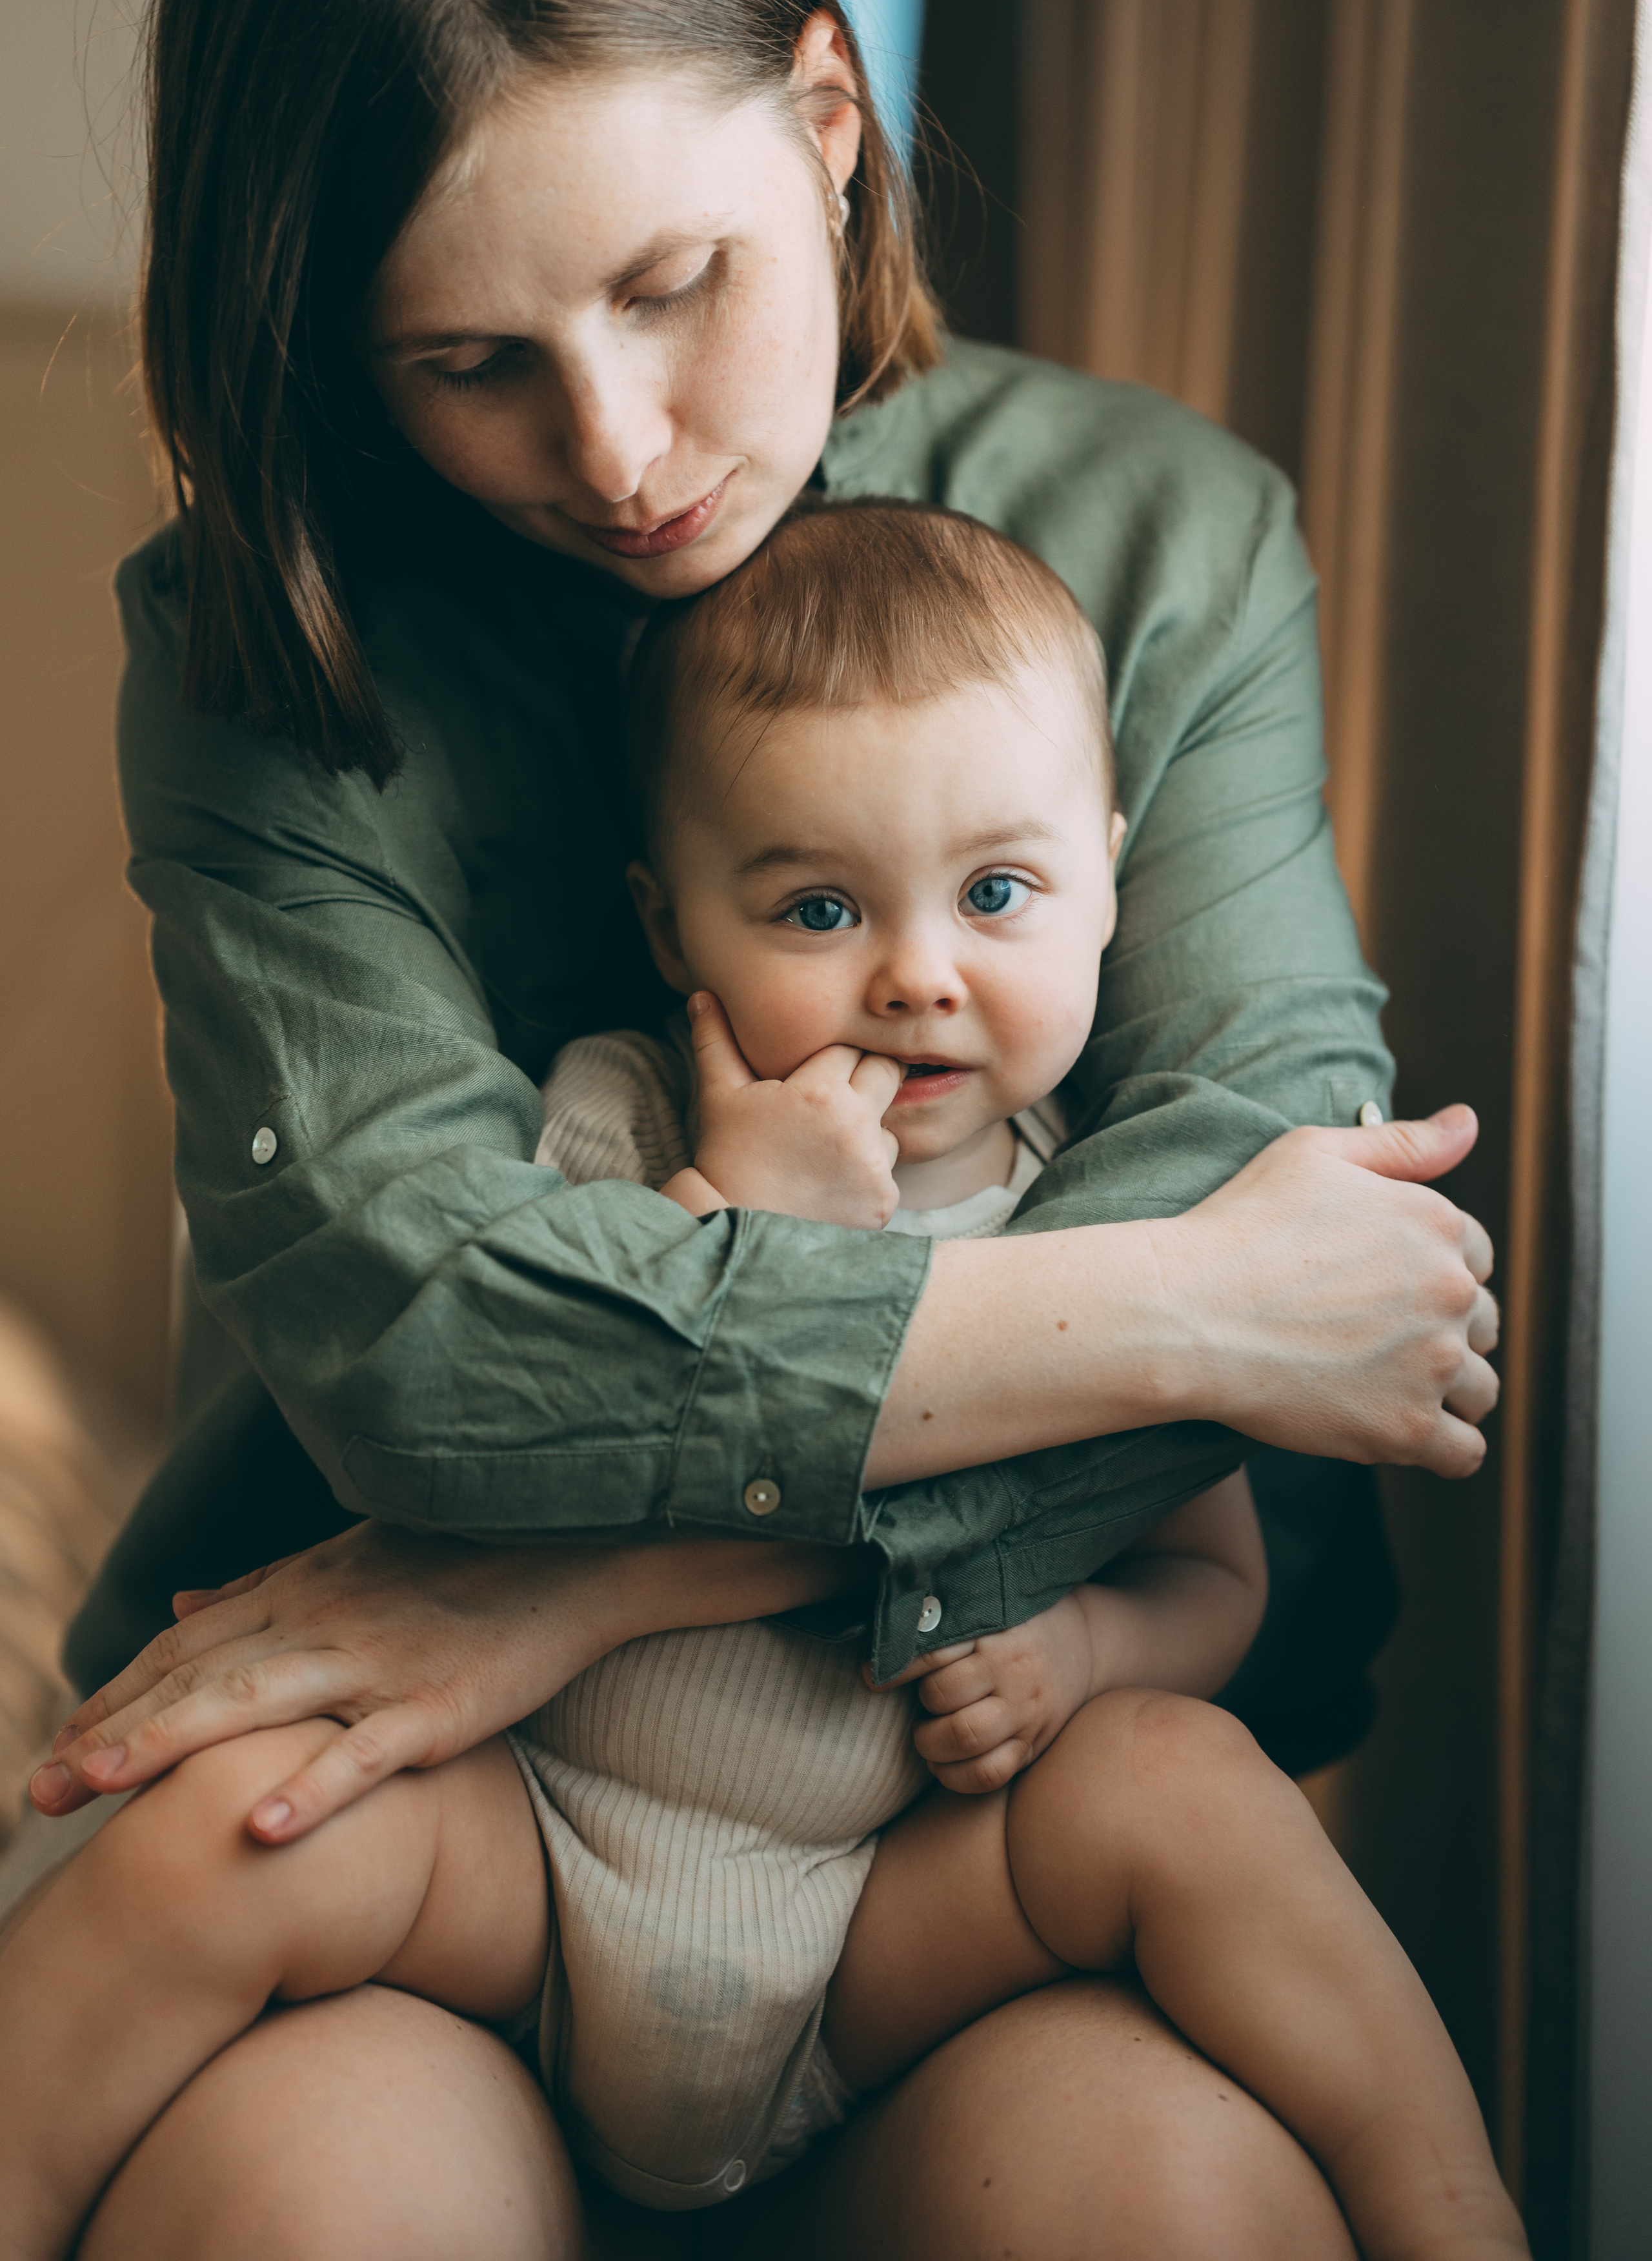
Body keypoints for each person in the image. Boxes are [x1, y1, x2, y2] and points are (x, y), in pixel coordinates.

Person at [12, 0, 1500, 2252]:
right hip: (423, 1840)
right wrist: (1192, 1315)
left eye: (673, 283)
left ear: (829, 123)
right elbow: (428, 1335)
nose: (614, 453)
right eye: (466, 361)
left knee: (1167, 2206)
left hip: (957, 1842)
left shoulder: (1161, 538)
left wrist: (577, 1578)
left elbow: (1261, 1183)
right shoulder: (272, 644)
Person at [0, 501, 1524, 2261]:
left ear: (1111, 872)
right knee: (230, 1826)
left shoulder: (1099, 1207)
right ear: (670, 923)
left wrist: (1084, 1651)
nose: (918, 973)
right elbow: (519, 1416)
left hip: (896, 1903)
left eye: (1002, 891)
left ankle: (1453, 2204)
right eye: (817, 906)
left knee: (1186, 1785)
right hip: (533, 1855)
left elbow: (1215, 1579)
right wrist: (728, 1219)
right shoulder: (614, 1120)